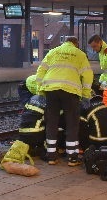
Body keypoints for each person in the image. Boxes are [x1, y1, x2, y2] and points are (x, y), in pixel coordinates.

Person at [36, 36, 93, 167]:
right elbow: (88, 75)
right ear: (76, 44)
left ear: (64, 42)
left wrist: (40, 91)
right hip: (70, 91)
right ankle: (72, 158)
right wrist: (85, 95)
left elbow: (40, 71)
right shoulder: (80, 54)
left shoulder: (53, 51)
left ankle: (51, 156)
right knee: (72, 123)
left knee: (51, 122)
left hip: (51, 90)